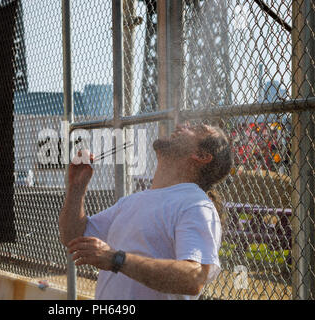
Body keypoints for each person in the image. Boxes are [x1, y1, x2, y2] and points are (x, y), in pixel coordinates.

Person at [59, 122, 233, 300]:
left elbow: (194, 278)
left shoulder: (196, 205)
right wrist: (76, 189)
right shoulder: (132, 201)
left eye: (197, 128)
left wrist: (116, 259)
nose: (183, 124)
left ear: (201, 155)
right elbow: (73, 237)